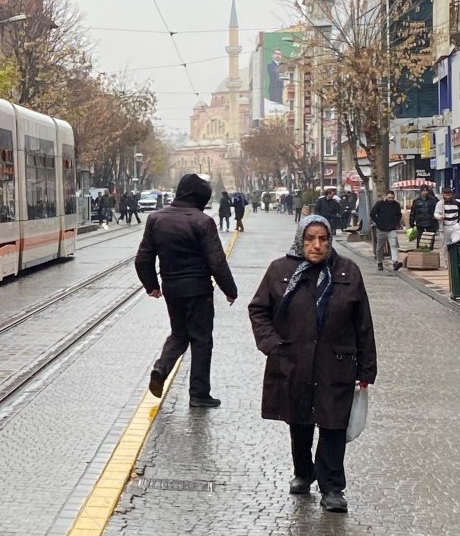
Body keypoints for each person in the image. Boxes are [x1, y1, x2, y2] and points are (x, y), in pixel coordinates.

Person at [247, 215, 376, 513]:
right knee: (300, 422)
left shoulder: (348, 271)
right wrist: (273, 346)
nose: (316, 245)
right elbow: (258, 310)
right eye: (310, 239)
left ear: (330, 241)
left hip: (337, 363)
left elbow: (363, 323)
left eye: (323, 239)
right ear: (300, 240)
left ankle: (332, 488)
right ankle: (303, 472)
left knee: (333, 425)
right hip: (294, 361)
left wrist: (366, 369)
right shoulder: (280, 270)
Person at [136, 173, 238, 407]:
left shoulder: (155, 219)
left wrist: (151, 285)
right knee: (201, 340)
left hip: (171, 289)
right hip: (199, 290)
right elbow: (217, 261)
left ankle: (161, 369)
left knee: (179, 334)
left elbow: (143, 257)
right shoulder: (202, 221)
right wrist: (229, 290)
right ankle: (199, 394)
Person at [369, 190, 403, 272]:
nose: (391, 199)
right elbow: (372, 213)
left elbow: (399, 214)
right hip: (381, 229)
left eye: (392, 198)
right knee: (379, 247)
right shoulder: (379, 204)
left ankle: (395, 262)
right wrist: (378, 223)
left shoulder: (396, 204)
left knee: (393, 245)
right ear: (385, 197)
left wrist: (396, 223)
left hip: (392, 228)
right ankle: (379, 262)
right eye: (389, 198)